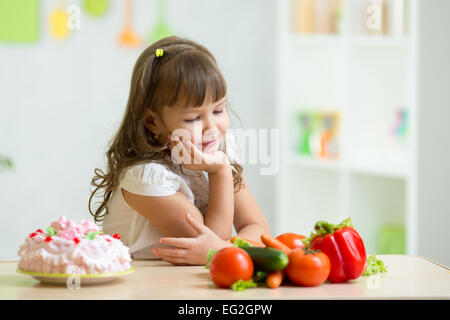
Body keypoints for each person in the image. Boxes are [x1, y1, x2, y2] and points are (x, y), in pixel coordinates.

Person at [88, 36, 270, 265]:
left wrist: (228, 249)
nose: (211, 128)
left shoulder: (219, 152)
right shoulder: (147, 178)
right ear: (152, 122)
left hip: (192, 283)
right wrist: (219, 171)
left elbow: (257, 229)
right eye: (193, 118)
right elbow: (211, 241)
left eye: (218, 110)